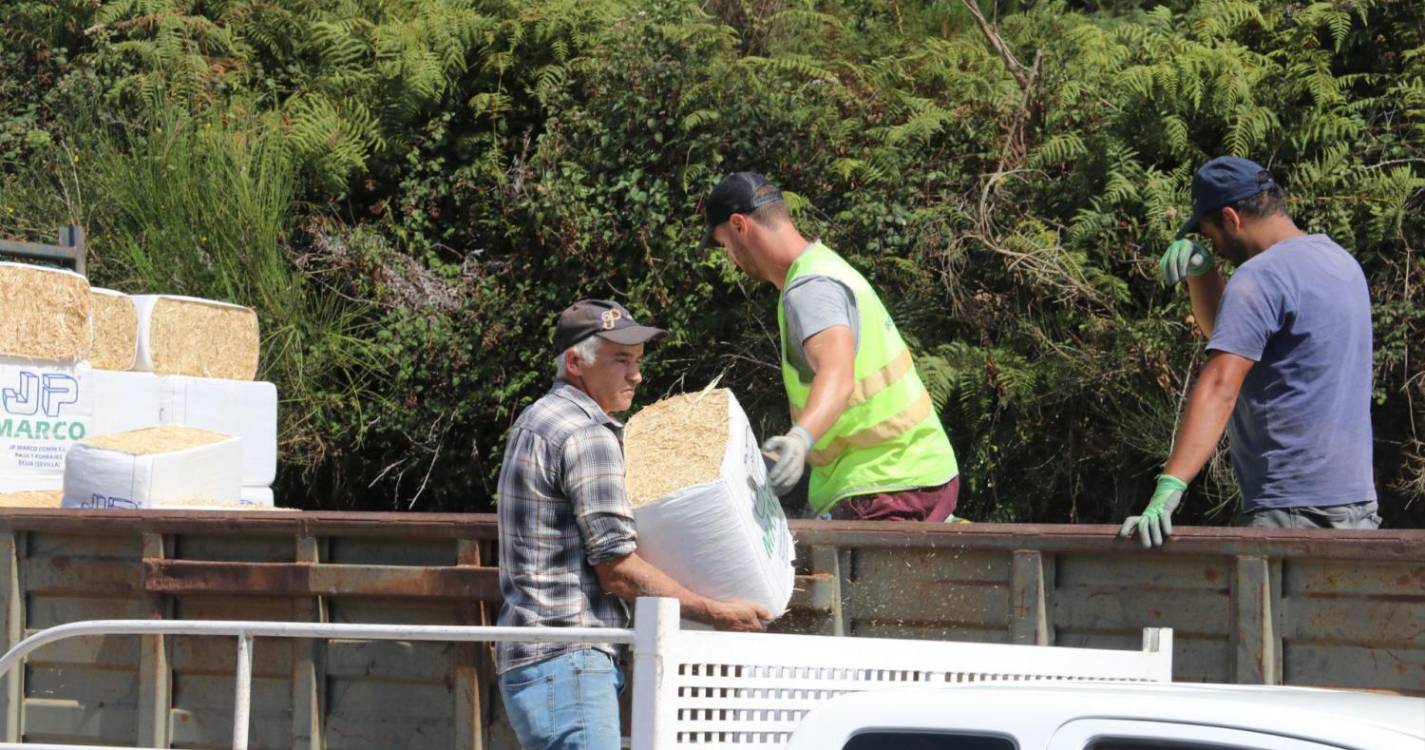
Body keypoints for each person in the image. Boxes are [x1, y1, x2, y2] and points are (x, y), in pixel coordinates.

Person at [495, 299, 769, 750]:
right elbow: (617, 570)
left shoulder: (535, 420)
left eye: (638, 361)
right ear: (574, 363)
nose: (636, 375)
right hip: (571, 659)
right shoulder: (587, 433)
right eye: (621, 360)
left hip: (534, 661)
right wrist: (714, 611)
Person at [1121, 157, 1379, 548]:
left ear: (1231, 217)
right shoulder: (1341, 263)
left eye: (1212, 237)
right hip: (1356, 505)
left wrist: (1170, 486)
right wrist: (1203, 275)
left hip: (1289, 511)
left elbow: (1222, 383)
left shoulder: (1260, 276)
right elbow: (1237, 338)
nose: (1217, 250)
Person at [699, 172, 960, 521]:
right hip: (916, 471)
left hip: (881, 483)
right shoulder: (825, 267)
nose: (731, 258)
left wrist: (799, 440)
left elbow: (837, 374)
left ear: (739, 225)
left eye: (724, 245)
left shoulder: (810, 287)